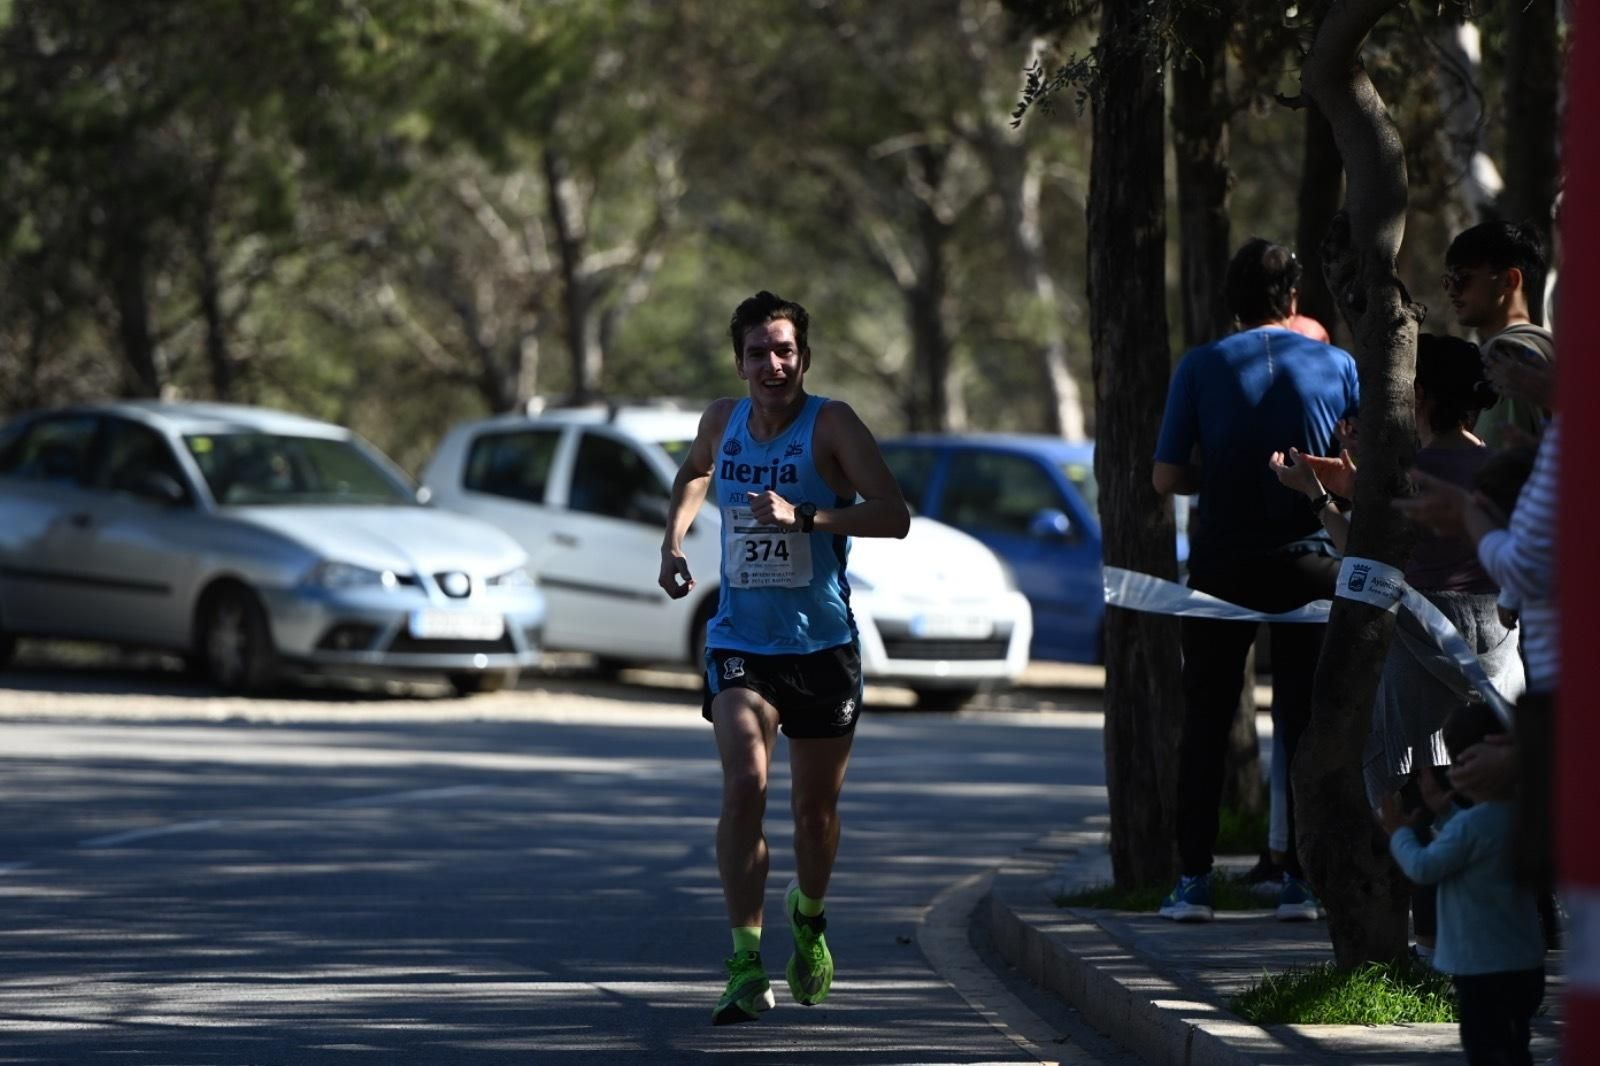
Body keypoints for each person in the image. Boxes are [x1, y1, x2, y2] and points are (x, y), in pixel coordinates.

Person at [657, 290, 910, 1025]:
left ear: (804, 356)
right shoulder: (721, 421)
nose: (774, 364)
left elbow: (893, 514)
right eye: (760, 352)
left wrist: (807, 515)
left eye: (786, 350)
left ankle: (809, 913)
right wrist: (674, 540)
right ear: (738, 360)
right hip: (741, 642)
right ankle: (744, 960)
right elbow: (695, 472)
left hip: (822, 647)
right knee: (745, 783)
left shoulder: (832, 424)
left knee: (814, 813)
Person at [1271, 332, 1524, 962]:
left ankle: (1430, 940)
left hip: (1420, 633)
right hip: (1500, 641)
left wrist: (1319, 497)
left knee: (1411, 791)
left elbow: (1364, 554)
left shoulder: (1415, 473)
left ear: (1428, 396)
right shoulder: (1494, 464)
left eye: (1408, 388)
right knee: (1491, 787)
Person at [1152, 238, 1359, 922]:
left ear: (1230, 303)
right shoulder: (1341, 364)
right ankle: (1301, 880)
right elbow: (1359, 473)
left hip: (1222, 563)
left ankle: (1192, 882)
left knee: (1207, 721)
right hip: (1312, 561)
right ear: (1294, 300)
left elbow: (1166, 477)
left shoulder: (1202, 364)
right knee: (1305, 721)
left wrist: (1229, 474)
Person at [1380, 702, 1545, 1066]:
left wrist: (1399, 836)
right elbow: (1480, 847)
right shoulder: (1516, 816)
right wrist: (1445, 811)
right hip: (1525, 966)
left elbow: (1423, 868)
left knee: (1486, 1051)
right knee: (1515, 1048)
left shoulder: (1469, 828)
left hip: (1483, 971)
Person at [1443, 220, 1554, 449]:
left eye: (1462, 278)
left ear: (1509, 280)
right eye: (1447, 281)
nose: (1452, 292)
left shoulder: (1504, 356)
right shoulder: (1549, 347)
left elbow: (1498, 467)